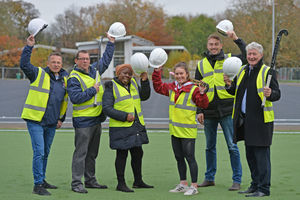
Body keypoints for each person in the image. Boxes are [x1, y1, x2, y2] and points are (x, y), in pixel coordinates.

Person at [224, 42, 280, 197]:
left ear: (260, 55)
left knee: (261, 157)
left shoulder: (267, 72)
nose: (251, 57)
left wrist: (271, 94)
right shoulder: (242, 70)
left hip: (261, 122)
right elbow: (234, 91)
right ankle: (254, 185)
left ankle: (263, 188)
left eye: (254, 54)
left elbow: (277, 94)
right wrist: (228, 85)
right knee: (250, 156)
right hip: (245, 121)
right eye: (249, 54)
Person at [195, 31, 246, 190]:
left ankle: (236, 180)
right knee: (210, 146)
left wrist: (236, 39)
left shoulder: (230, 59)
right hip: (208, 110)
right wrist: (199, 110)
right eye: (211, 44)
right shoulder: (201, 64)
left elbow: (246, 55)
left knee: (232, 146)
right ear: (207, 46)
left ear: (221, 45)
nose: (214, 47)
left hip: (227, 109)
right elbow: (198, 89)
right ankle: (209, 178)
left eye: (216, 44)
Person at [20, 35, 68, 196]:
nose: (56, 64)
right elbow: (24, 64)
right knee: (39, 152)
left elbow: (64, 101)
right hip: (35, 121)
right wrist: (29, 47)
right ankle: (37, 184)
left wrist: (61, 119)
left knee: (45, 153)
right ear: (48, 63)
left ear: (61, 65)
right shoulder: (38, 74)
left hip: (52, 123)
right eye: (53, 62)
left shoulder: (64, 80)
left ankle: (43, 179)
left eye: (58, 63)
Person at [67, 33, 115, 193]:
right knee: (81, 154)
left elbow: (106, 60)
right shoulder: (73, 77)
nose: (86, 61)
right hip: (83, 122)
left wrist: (111, 43)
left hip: (96, 120)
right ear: (77, 61)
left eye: (87, 58)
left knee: (92, 154)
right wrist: (91, 90)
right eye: (82, 59)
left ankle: (90, 180)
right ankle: (76, 183)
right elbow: (75, 98)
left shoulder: (94, 71)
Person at [152, 62, 209, 196]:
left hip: (188, 131)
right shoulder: (173, 87)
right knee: (178, 157)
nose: (179, 76)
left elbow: (204, 104)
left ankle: (194, 186)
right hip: (175, 129)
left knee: (190, 158)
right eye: (177, 74)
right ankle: (183, 183)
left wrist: (202, 93)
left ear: (187, 74)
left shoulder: (194, 89)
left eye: (181, 73)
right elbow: (158, 87)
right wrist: (156, 72)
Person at [102, 64, 153, 193]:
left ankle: (138, 181)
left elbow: (145, 96)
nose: (127, 76)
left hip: (135, 125)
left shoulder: (134, 84)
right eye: (124, 73)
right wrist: (125, 116)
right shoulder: (110, 86)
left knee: (138, 153)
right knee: (122, 154)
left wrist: (145, 81)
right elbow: (107, 108)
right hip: (121, 127)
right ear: (118, 73)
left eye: (129, 73)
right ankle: (121, 183)